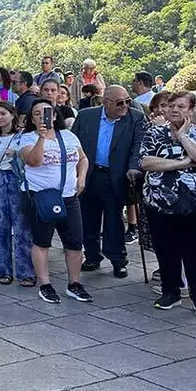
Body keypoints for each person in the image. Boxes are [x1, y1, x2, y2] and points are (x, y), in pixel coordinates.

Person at [139, 92, 196, 316]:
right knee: (165, 249)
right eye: (171, 106)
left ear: (191, 110)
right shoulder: (153, 133)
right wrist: (182, 162)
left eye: (181, 106)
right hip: (160, 203)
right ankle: (170, 292)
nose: (174, 110)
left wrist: (183, 137)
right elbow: (146, 162)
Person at [18, 99, 92, 304]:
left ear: (56, 114)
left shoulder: (68, 136)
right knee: (42, 241)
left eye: (47, 112)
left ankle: (74, 283)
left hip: (69, 195)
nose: (43, 116)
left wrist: (82, 177)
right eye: (37, 113)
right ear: (31, 119)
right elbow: (33, 161)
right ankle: (45, 284)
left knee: (75, 242)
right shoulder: (27, 138)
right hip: (41, 197)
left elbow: (83, 158)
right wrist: (41, 139)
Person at [72, 85, 145, 279]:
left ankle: (118, 260)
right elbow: (74, 144)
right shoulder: (86, 116)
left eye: (128, 101)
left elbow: (138, 145)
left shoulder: (135, 118)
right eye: (120, 103)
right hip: (89, 173)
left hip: (117, 176)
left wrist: (133, 167)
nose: (125, 106)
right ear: (106, 103)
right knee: (88, 217)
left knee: (114, 219)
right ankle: (92, 256)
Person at [0, 102, 34, 286]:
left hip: (17, 179)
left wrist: (15, 153)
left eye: (3, 113)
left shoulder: (23, 136)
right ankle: (3, 270)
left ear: (12, 114)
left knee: (22, 226)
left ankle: (26, 272)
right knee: (0, 225)